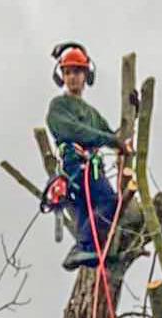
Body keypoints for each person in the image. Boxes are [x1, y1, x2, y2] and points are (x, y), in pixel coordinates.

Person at [45, 43, 132, 271]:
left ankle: (94, 250)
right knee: (109, 201)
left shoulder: (92, 114)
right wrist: (111, 141)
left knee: (88, 209)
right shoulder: (59, 106)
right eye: (68, 72)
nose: (73, 77)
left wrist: (135, 113)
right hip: (77, 165)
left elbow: (113, 135)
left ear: (86, 75)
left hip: (93, 166)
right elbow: (74, 131)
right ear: (61, 76)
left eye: (77, 72)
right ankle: (84, 246)